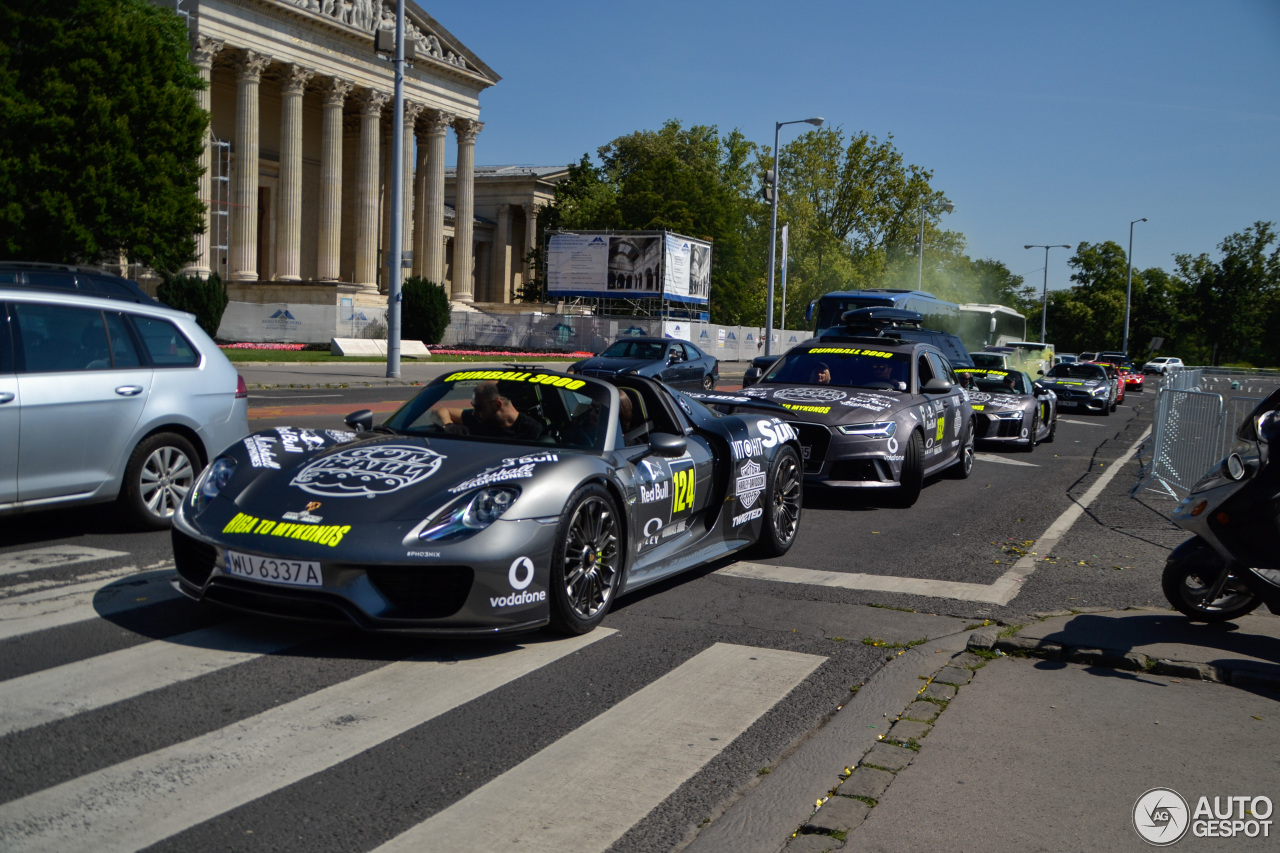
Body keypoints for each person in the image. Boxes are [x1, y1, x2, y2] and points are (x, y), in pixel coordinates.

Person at [437, 381, 544, 440]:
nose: (474, 412)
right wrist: (448, 425)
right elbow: (441, 410)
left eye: (478, 407)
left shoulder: (532, 431)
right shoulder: (479, 419)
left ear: (498, 404)